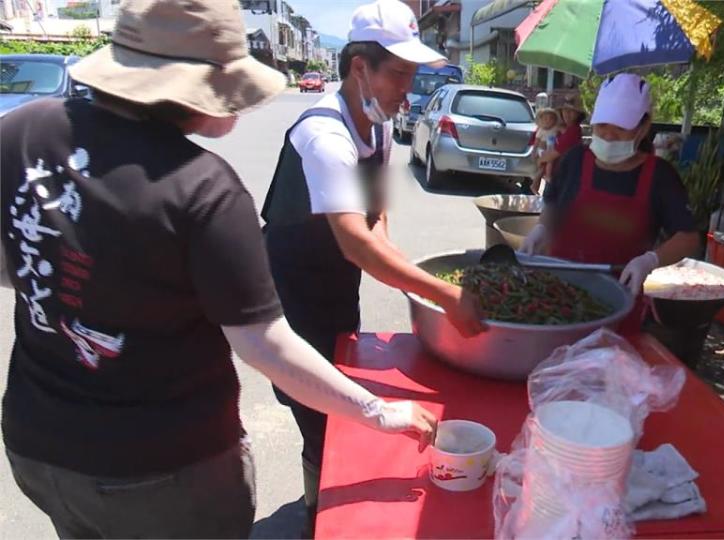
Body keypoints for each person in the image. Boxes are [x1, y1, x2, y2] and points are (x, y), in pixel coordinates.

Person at [0, 1, 436, 538]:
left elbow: (14, 259)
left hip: (36, 444)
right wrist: (380, 412)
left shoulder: (23, 129)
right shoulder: (202, 188)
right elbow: (265, 346)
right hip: (164, 471)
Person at [259, 0, 486, 534]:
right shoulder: (324, 136)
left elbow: (376, 212)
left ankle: (324, 496)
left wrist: (403, 269)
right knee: (318, 415)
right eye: (400, 73)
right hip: (290, 297)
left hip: (337, 290)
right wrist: (444, 295)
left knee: (342, 401)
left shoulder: (379, 126)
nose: (408, 88)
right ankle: (320, 514)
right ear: (360, 67)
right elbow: (357, 243)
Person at [521, 73, 700, 327]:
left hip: (617, 304)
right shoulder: (573, 160)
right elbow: (552, 205)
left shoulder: (660, 176)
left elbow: (688, 238)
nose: (609, 136)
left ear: (643, 127)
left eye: (620, 129)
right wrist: (540, 230)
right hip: (556, 296)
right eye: (602, 126)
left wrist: (649, 261)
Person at [538, 94, 587, 172]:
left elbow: (552, 155)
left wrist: (539, 161)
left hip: (564, 176)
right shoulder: (562, 128)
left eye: (571, 111)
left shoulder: (573, 131)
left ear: (578, 114)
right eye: (565, 110)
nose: (567, 113)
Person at [531, 107, 562, 195]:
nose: (548, 121)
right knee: (549, 161)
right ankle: (548, 176)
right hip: (543, 150)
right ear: (541, 120)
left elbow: (562, 131)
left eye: (551, 119)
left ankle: (535, 185)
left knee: (542, 169)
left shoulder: (554, 129)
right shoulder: (541, 131)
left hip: (550, 149)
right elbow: (536, 142)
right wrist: (534, 151)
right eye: (545, 119)